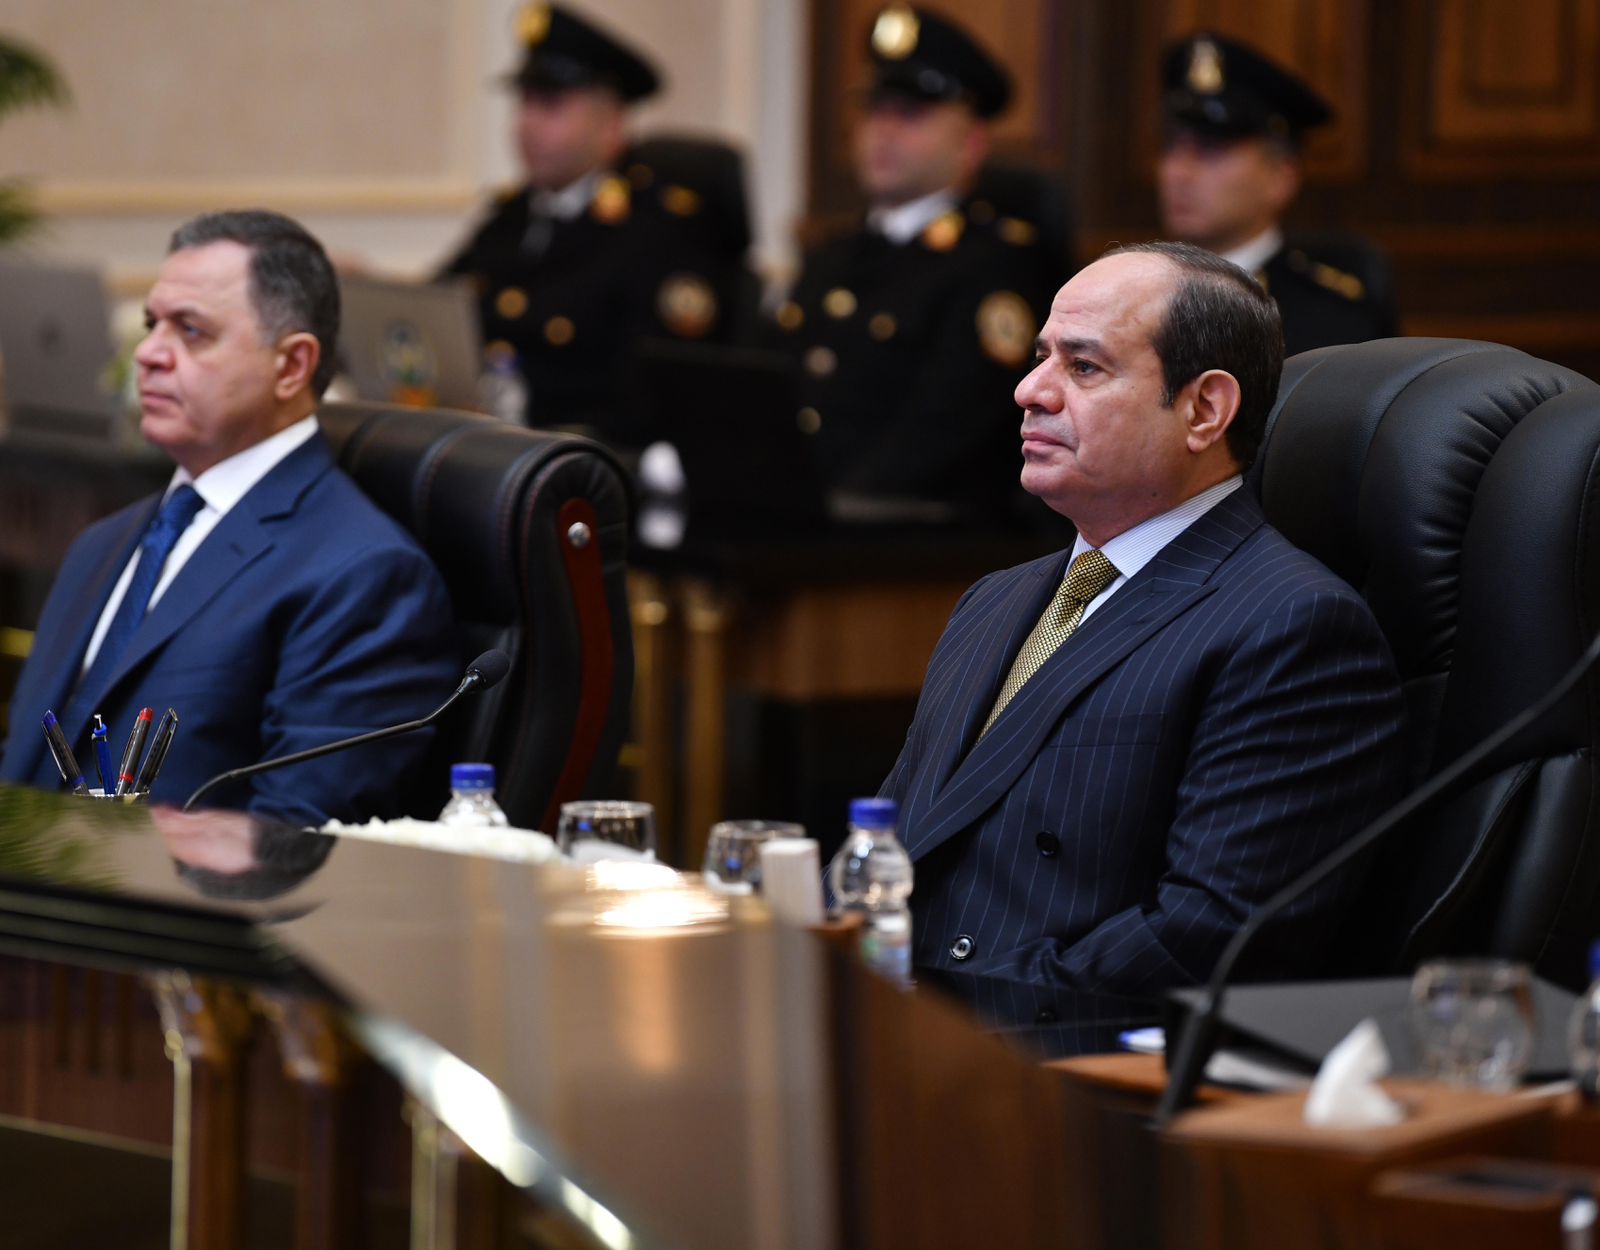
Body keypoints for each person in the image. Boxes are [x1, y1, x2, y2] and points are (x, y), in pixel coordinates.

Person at [881, 242, 1407, 994]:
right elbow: (888, 845)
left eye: (1083, 367)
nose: (1029, 390)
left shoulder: (1295, 627)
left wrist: (937, 1019)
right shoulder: (993, 600)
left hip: (1054, 1049)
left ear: (1204, 410)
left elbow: (1204, 937)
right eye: (1040, 357)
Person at [0, 210, 458, 826]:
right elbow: (28, 766)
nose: (149, 354)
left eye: (191, 331)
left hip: (168, 888)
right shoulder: (101, 543)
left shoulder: (363, 575)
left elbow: (294, 836)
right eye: (152, 325)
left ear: (291, 366)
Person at [766, 4, 1060, 514]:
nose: (884, 131)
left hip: (918, 532)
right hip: (814, 519)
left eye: (911, 115)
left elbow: (949, 429)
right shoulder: (830, 256)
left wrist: (825, 510)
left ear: (971, 144)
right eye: (875, 110)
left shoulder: (996, 263)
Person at [440, 2, 750, 443]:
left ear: (610, 125)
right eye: (524, 103)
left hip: (584, 462)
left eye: (551, 106)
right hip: (492, 450)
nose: (527, 124)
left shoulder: (660, 230)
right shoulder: (511, 216)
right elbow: (439, 310)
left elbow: (660, 397)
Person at [1157, 32, 1399, 358]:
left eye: (1209, 151)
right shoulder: (1130, 296)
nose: (1177, 172)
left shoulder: (1332, 317)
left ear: (1280, 178)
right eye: (1171, 146)